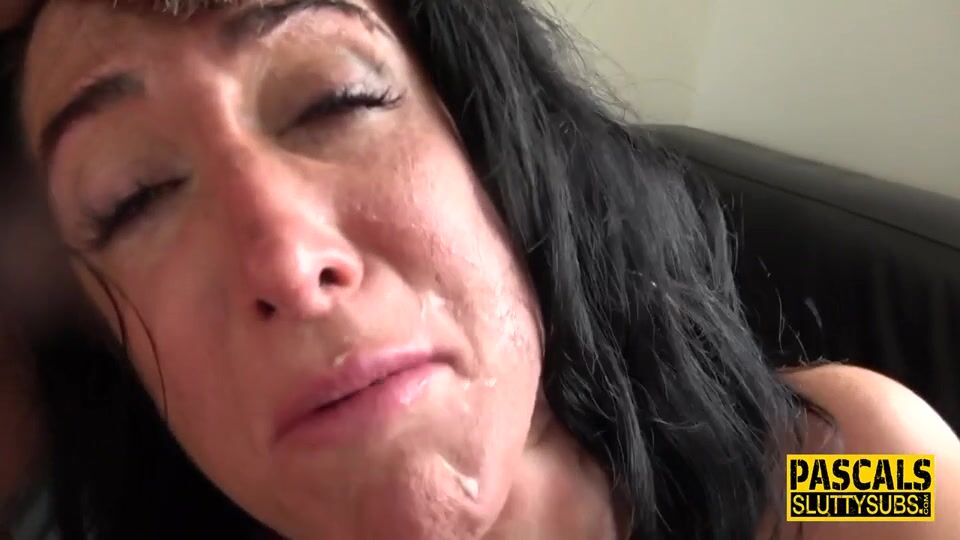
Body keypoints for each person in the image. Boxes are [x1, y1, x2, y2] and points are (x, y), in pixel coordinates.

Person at [1, 0, 958, 538]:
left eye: (337, 99)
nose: (288, 262)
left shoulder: (823, 474)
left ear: (496, 146)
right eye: (132, 196)